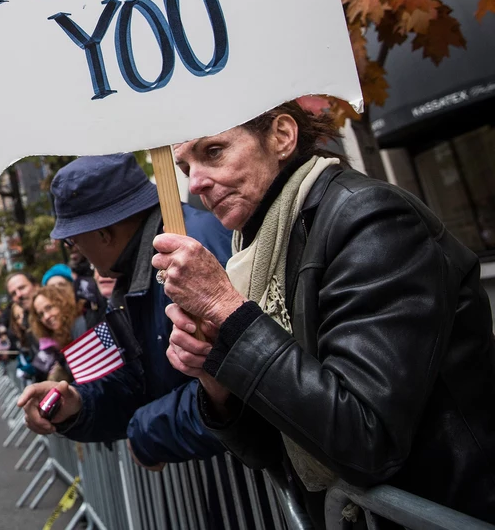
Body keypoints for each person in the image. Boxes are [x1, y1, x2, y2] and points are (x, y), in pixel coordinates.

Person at [150, 101, 495, 523]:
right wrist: (216, 381)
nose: (197, 184)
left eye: (214, 152)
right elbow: (272, 448)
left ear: (281, 136)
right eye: (185, 168)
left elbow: (366, 438)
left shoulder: (370, 218)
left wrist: (227, 311)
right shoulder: (259, 248)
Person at [18, 153, 234, 469]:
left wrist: (149, 431)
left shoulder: (191, 252)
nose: (76, 251)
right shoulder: (135, 274)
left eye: (75, 241)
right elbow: (135, 383)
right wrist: (78, 405)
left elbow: (234, 385)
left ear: (104, 235)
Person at [28, 282, 78, 381]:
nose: (46, 317)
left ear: (62, 302)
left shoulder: (79, 327)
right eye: (41, 314)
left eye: (49, 308)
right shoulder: (55, 344)